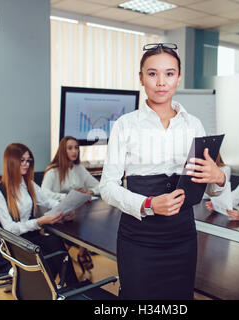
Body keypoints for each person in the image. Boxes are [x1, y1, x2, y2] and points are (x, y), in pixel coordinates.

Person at [99, 43, 227, 300]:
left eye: (169, 73)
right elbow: (107, 187)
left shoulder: (194, 125)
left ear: (178, 78)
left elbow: (210, 183)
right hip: (138, 237)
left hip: (183, 235)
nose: (161, 82)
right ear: (141, 78)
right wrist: (148, 203)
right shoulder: (126, 125)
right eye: (152, 73)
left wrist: (219, 178)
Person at [0, 143, 78, 285]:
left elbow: (49, 202)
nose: (26, 164)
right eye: (22, 161)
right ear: (11, 162)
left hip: (25, 239)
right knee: (50, 252)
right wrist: (39, 222)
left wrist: (65, 210)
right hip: (6, 245)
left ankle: (69, 287)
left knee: (55, 243)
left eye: (28, 160)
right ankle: (48, 288)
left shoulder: (28, 184)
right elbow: (9, 229)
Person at [41, 136, 99, 272]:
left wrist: (89, 191)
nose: (74, 151)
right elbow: (43, 193)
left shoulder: (79, 168)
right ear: (63, 150)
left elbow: (99, 186)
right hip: (59, 215)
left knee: (89, 223)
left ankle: (79, 252)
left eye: (77, 148)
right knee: (77, 231)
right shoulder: (53, 171)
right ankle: (65, 259)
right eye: (70, 148)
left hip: (77, 213)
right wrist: (68, 197)